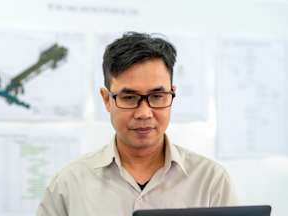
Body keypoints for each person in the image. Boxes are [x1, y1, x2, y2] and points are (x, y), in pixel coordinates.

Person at [37, 32, 238, 216]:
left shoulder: (211, 180)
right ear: (107, 99)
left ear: (172, 93)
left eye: (157, 96)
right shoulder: (69, 184)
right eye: (129, 97)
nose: (144, 113)